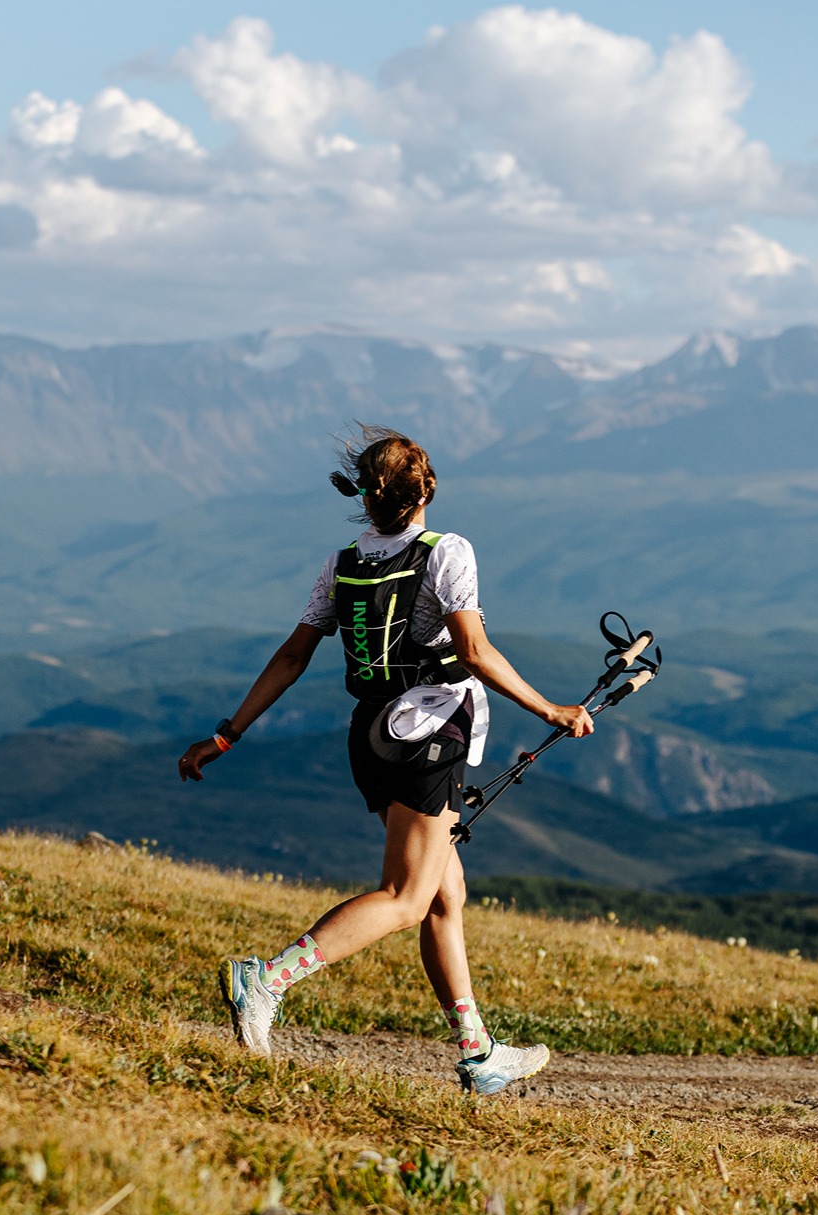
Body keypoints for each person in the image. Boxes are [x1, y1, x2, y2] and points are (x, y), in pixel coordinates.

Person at [176, 427, 593, 1095]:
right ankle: (267, 979)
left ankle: (477, 1050)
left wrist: (226, 735)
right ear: (426, 490)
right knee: (405, 898)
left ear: (365, 498)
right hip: (428, 734)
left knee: (441, 895)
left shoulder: (343, 562)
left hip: (368, 734)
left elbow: (292, 656)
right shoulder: (445, 552)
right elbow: (475, 652)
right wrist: (552, 710)